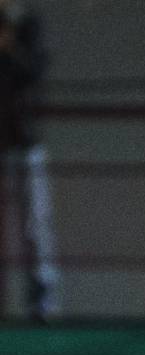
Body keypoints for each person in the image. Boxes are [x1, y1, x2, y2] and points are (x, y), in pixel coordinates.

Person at [0, 0, 57, 321]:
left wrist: (8, 46)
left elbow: (33, 71)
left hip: (24, 139)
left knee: (35, 222)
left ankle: (42, 301)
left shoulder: (28, 26)